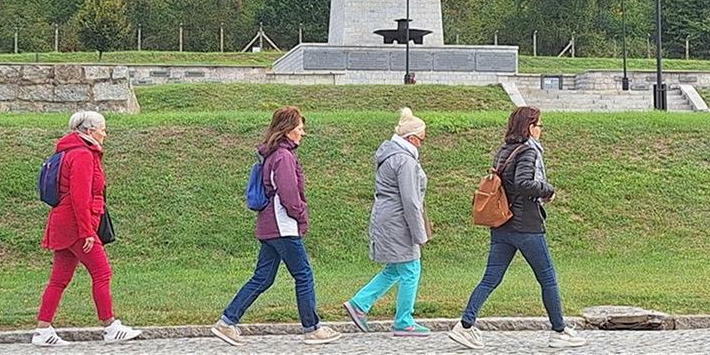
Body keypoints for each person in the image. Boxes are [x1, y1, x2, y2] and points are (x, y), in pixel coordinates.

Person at [446, 106, 586, 350]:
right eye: (539, 125)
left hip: (502, 223)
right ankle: (559, 331)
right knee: (548, 278)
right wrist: (548, 190)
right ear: (530, 127)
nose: (541, 130)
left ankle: (465, 325)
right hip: (526, 225)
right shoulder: (529, 151)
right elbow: (523, 183)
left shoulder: (504, 150)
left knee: (491, 277)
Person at [210, 107, 342, 346]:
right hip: (283, 226)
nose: (302, 133)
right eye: (300, 128)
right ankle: (312, 328)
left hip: (270, 224)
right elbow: (289, 195)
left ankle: (227, 322)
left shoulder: (273, 154)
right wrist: (301, 216)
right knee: (303, 275)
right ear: (288, 129)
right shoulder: (284, 157)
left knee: (263, 277)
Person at [32, 111, 141, 346]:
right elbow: (80, 198)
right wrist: (87, 231)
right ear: (90, 131)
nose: (105, 134)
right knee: (102, 273)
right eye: (103, 129)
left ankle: (42, 330)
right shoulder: (82, 155)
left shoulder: (69, 151)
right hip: (76, 226)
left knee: (59, 279)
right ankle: (110, 327)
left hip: (63, 223)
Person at [343, 108, 430, 337]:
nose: (422, 144)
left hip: (388, 217)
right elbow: (410, 201)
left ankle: (359, 304)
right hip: (398, 221)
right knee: (411, 269)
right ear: (411, 138)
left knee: (395, 268)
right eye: (421, 139)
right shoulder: (405, 161)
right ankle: (404, 321)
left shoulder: (391, 155)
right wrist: (419, 233)